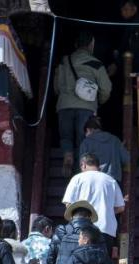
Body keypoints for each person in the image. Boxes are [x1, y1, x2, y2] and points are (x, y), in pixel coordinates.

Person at [55, 31, 112, 177]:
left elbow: (56, 86)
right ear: (92, 45)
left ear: (76, 44)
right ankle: (82, 168)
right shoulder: (96, 63)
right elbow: (106, 88)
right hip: (86, 108)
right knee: (84, 139)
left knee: (66, 137)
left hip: (64, 106)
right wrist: (99, 101)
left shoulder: (64, 61)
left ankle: (68, 156)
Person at [63, 152, 126, 256]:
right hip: (106, 228)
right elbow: (121, 207)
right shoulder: (111, 180)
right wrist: (107, 211)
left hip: (82, 229)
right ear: (98, 165)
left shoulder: (77, 178)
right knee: (103, 262)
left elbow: (68, 204)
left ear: (83, 165)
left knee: (81, 260)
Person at [79, 117, 129, 185]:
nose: (85, 136)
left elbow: (83, 164)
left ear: (88, 129)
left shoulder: (86, 142)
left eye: (85, 133)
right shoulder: (115, 140)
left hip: (93, 180)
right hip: (113, 181)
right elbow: (126, 159)